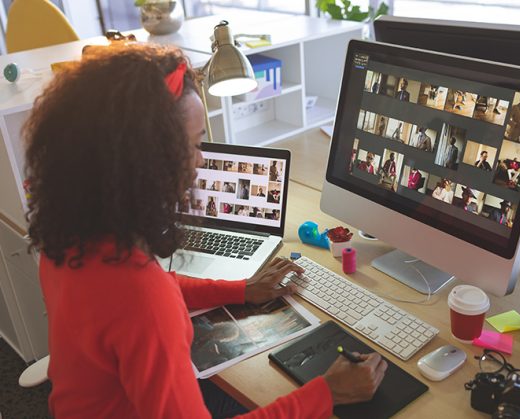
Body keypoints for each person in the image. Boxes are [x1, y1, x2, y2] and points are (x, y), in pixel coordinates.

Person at [24, 44, 387, 419]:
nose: (200, 160)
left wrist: (241, 290)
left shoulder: (68, 241)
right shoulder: (143, 299)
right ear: (146, 161)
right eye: (194, 145)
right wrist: (326, 394)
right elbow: (146, 300)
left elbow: (153, 290)